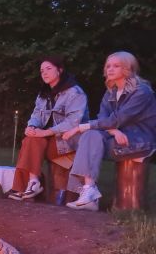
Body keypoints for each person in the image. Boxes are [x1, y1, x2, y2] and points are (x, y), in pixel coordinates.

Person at [61, 51, 156, 211]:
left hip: (137, 142)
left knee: (86, 137)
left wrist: (79, 127)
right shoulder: (111, 92)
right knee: (90, 136)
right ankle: (89, 190)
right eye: (108, 66)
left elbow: (116, 119)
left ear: (128, 69)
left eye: (116, 66)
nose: (110, 69)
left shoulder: (141, 92)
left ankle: (89, 194)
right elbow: (103, 118)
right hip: (115, 139)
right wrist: (114, 132)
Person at [7, 57, 88, 200]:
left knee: (31, 142)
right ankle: (33, 182)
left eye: (49, 69)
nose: (44, 73)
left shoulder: (75, 93)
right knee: (31, 139)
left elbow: (73, 122)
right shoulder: (43, 94)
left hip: (68, 142)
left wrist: (45, 132)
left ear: (60, 70)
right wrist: (31, 126)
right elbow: (36, 115)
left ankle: (22, 187)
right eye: (42, 70)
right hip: (49, 142)